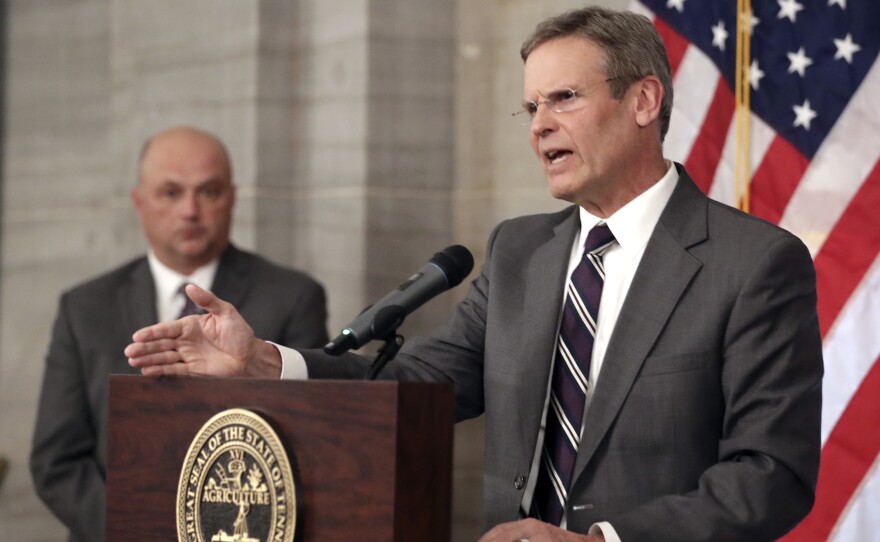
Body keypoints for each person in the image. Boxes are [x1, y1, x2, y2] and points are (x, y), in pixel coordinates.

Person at [126, 7, 823, 542]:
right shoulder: (521, 252)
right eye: (530, 107)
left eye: (564, 100)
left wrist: (602, 541)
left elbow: (773, 475)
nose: (538, 127)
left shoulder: (753, 264)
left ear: (644, 102)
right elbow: (422, 385)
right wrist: (264, 364)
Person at [30, 126, 329, 542]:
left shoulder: (293, 297)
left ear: (232, 199)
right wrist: (136, 531)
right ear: (139, 202)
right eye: (171, 193)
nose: (190, 211)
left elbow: (311, 448)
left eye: (208, 192)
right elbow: (56, 461)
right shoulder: (84, 308)